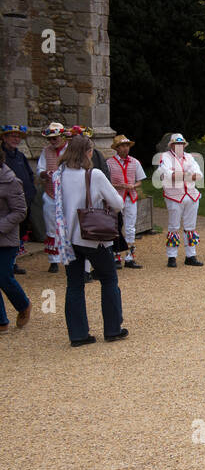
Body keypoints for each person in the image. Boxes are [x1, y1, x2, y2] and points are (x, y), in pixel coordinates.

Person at [50, 134, 127, 346]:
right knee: (109, 279)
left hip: (69, 239)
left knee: (74, 285)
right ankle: (112, 328)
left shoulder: (60, 174)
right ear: (87, 152)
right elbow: (118, 203)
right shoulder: (95, 175)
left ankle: (78, 335)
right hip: (94, 237)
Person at [154, 133, 204, 267]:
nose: (179, 146)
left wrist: (181, 175)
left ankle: (191, 255)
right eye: (177, 144)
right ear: (172, 145)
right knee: (174, 226)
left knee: (190, 227)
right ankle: (172, 257)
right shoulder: (165, 157)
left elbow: (199, 175)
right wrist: (187, 175)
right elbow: (169, 175)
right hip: (174, 196)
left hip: (192, 194)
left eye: (181, 144)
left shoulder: (189, 157)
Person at [107, 135, 146, 269]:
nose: (125, 148)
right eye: (123, 146)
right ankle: (116, 256)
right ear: (116, 148)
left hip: (131, 196)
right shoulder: (109, 163)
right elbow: (106, 182)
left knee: (130, 227)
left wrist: (133, 186)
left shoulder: (135, 162)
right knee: (116, 226)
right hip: (116, 197)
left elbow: (140, 180)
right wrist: (119, 186)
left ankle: (130, 257)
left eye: (127, 145)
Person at [2, 124, 39, 270]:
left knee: (21, 232)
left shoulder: (20, 156)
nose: (16, 139)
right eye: (12, 136)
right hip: (7, 204)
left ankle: (13, 261)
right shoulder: (2, 156)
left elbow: (30, 175)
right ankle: (9, 264)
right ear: (4, 138)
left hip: (24, 201)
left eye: (18, 136)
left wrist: (31, 192)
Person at [0, 161, 31, 333]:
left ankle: (23, 305)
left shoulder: (10, 181)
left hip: (6, 239)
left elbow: (20, 211)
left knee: (3, 277)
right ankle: (2, 321)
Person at [37, 123, 69, 273]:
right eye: (50, 139)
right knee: (51, 227)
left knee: (69, 225)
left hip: (68, 193)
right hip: (50, 193)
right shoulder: (46, 151)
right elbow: (40, 170)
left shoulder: (70, 150)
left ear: (62, 137)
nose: (53, 141)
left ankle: (70, 256)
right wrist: (45, 174)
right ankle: (54, 260)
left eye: (55, 138)